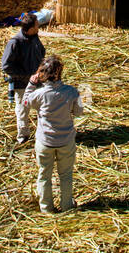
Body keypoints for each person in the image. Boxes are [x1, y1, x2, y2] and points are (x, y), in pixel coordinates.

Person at [22, 54, 83, 214]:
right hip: (65, 141)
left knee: (44, 174)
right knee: (66, 175)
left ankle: (46, 208)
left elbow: (26, 102)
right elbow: (79, 112)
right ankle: (66, 206)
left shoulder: (39, 94)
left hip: (45, 142)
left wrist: (31, 84)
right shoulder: (72, 92)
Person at [0, 13, 45, 143]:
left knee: (42, 108)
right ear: (30, 28)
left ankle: (42, 134)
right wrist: (25, 75)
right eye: (36, 26)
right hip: (22, 85)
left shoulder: (35, 38)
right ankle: (23, 137)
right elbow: (6, 66)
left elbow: (42, 51)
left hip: (38, 83)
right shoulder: (15, 43)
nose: (38, 27)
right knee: (23, 110)